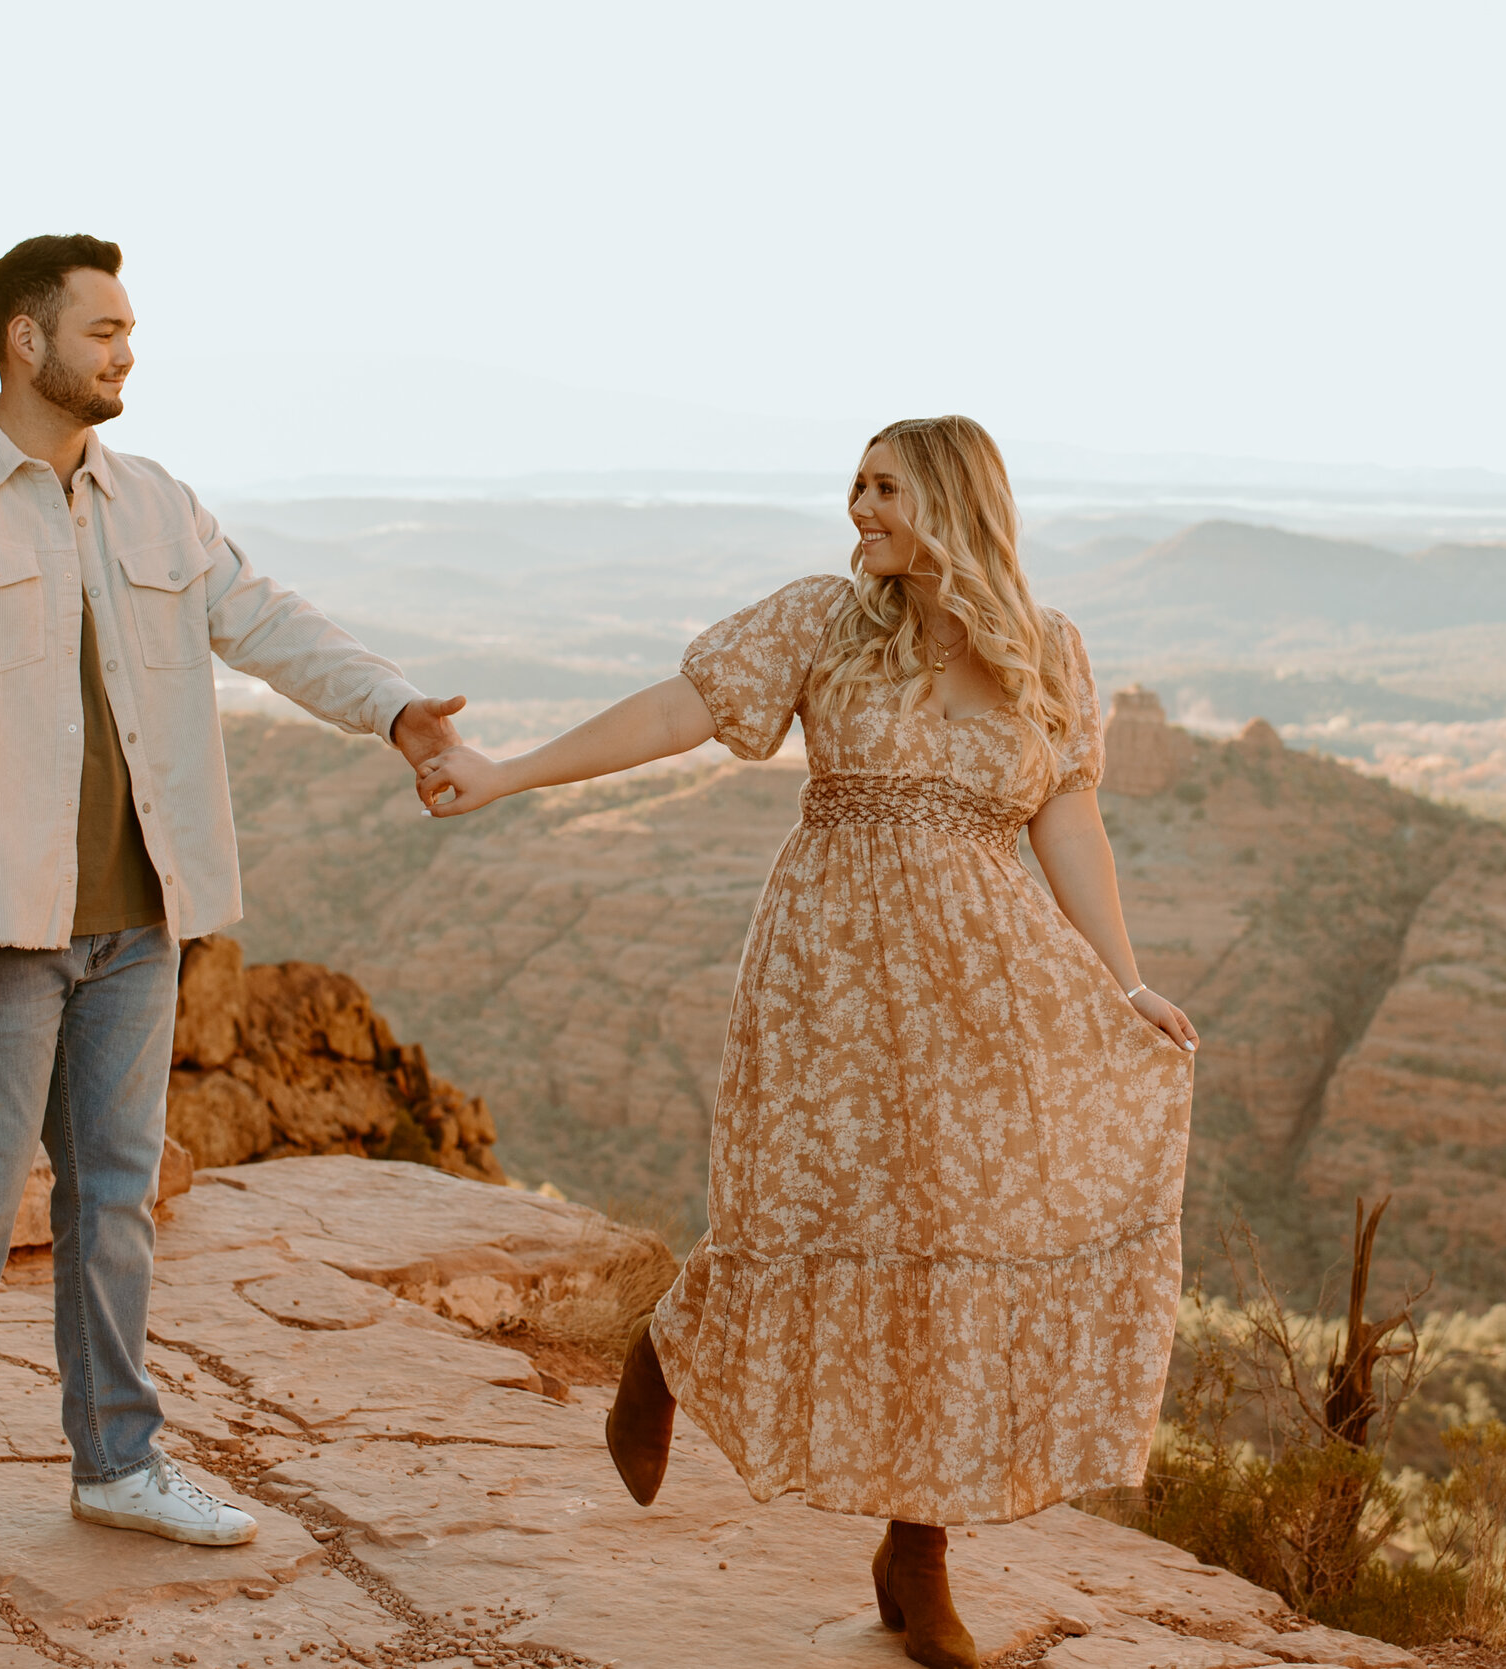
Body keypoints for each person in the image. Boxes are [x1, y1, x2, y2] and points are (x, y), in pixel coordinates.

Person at [411, 416, 1196, 1669]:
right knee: (808, 1203)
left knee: (958, 1233)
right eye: (857, 485)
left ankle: (918, 1548)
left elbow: (1071, 826)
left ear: (948, 499)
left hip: (985, 979)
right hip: (830, 964)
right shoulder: (822, 621)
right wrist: (506, 773)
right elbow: (675, 712)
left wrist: (1126, 982)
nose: (858, 509)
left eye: (884, 488)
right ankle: (669, 1346)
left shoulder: (1048, 651)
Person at [0, 234, 466, 1585]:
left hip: (138, 924)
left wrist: (394, 708)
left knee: (115, 1202)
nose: (126, 353)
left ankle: (118, 1460)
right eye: (104, 330)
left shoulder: (154, 503)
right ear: (25, 340)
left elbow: (265, 618)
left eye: (128, 331)